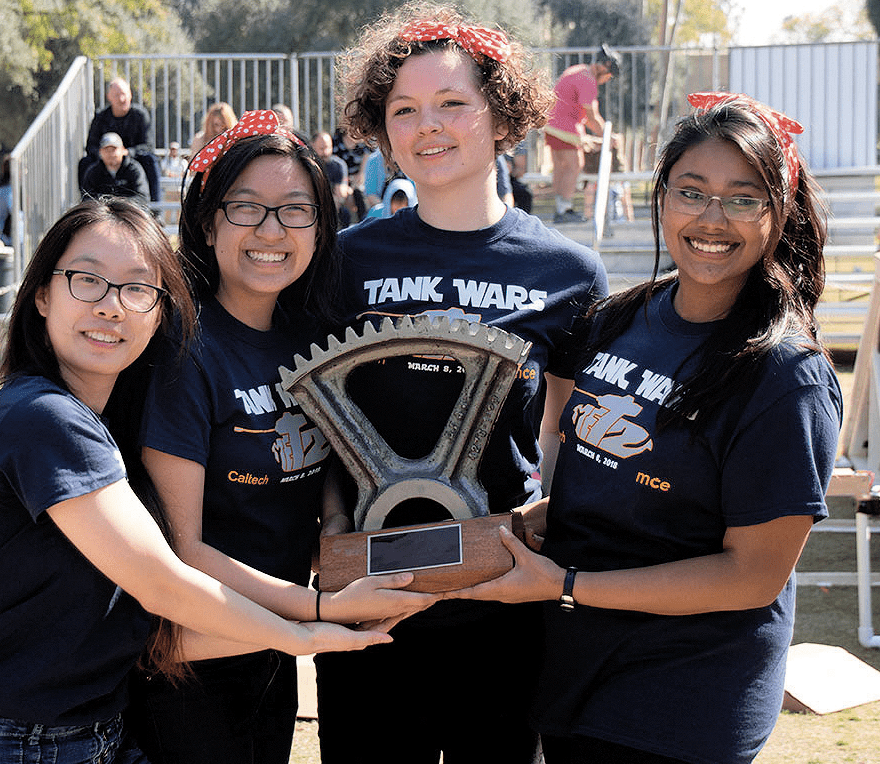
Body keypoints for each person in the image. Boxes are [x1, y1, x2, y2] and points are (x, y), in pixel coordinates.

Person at [0, 196, 392, 764]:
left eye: (137, 289)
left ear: (160, 313)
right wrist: (312, 620)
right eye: (87, 280)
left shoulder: (106, 430)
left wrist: (334, 622)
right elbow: (163, 583)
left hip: (93, 737)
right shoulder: (41, 419)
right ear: (40, 295)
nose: (112, 307)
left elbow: (152, 636)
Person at [450, 93, 840, 764]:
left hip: (682, 698)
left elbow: (752, 576)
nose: (712, 218)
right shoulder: (622, 318)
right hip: (578, 669)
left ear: (778, 214)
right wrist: (543, 519)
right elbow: (603, 467)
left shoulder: (784, 376)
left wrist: (565, 585)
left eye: (743, 198)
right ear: (662, 199)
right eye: (692, 191)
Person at [314, 6, 609, 763]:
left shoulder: (568, 275)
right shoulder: (346, 261)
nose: (427, 126)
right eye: (404, 110)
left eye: (452, 103)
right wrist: (331, 532)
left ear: (502, 115)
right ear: (381, 129)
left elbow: (567, 434)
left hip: (503, 605)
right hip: (371, 602)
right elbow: (313, 416)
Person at [125, 111, 438, 764]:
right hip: (190, 667)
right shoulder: (185, 349)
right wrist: (318, 608)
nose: (272, 230)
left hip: (266, 657)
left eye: (295, 210)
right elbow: (183, 551)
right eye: (248, 208)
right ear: (209, 223)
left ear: (321, 228)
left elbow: (316, 455)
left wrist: (331, 519)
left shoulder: (309, 341)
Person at [544, 44, 620, 223]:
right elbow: (592, 118)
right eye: (611, 75)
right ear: (605, 66)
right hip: (566, 128)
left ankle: (560, 208)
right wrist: (608, 136)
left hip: (552, 124)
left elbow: (585, 117)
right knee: (574, 166)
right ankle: (565, 210)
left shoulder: (576, 70)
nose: (608, 79)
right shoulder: (588, 80)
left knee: (561, 168)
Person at [80, 77, 162, 201]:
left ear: (130, 94)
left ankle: (156, 210)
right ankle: (86, 206)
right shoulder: (101, 117)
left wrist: (127, 152)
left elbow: (148, 145)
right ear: (109, 97)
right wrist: (105, 155)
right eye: (117, 95)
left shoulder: (140, 115)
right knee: (85, 163)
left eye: (124, 94)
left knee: (150, 159)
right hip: (105, 162)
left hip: (132, 160)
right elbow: (91, 145)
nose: (121, 99)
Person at [80, 132, 151, 205]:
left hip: (128, 211)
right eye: (107, 150)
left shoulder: (134, 169)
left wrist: (119, 204)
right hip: (102, 212)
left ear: (123, 150)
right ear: (100, 152)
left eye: (114, 149)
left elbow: (142, 197)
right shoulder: (93, 172)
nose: (111, 154)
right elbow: (87, 198)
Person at [312, 130, 353, 228]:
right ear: (312, 147)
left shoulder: (338, 165)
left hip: (332, 205)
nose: (325, 152)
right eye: (321, 148)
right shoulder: (307, 165)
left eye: (328, 148)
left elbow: (341, 194)